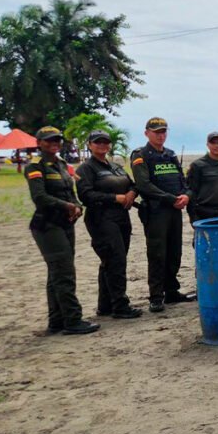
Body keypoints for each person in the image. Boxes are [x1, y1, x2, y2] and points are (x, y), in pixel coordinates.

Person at [25, 126, 99, 335]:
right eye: (49, 140)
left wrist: (76, 206)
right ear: (40, 143)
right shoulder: (35, 166)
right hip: (47, 225)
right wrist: (67, 206)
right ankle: (73, 320)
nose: (54, 143)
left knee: (56, 273)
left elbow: (70, 192)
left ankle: (56, 321)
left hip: (65, 224)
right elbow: (39, 197)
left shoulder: (63, 165)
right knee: (64, 272)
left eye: (57, 140)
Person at [75, 130, 142, 320]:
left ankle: (105, 305)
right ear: (89, 145)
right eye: (97, 142)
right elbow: (86, 195)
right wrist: (115, 198)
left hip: (122, 217)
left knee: (110, 262)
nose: (102, 145)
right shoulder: (86, 169)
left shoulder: (115, 166)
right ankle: (120, 305)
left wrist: (131, 194)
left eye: (105, 142)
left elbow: (133, 184)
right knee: (116, 259)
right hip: (101, 218)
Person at [130, 117, 195, 313]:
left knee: (175, 252)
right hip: (156, 211)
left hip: (174, 210)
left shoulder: (170, 155)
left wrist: (186, 196)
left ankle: (172, 291)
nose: (160, 135)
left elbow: (183, 182)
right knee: (158, 253)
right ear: (147, 133)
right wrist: (170, 198)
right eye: (156, 131)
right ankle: (156, 296)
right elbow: (143, 185)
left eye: (163, 132)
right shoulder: (140, 155)